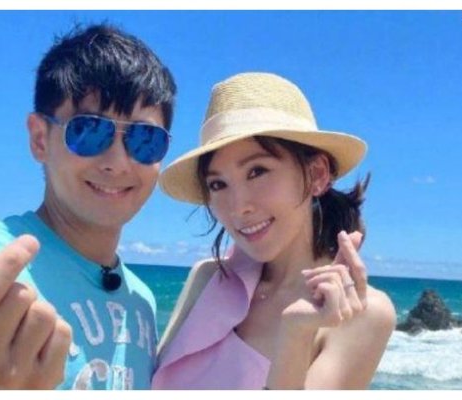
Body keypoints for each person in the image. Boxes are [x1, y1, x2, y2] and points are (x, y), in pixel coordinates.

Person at [0, 23, 177, 390]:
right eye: (90, 131)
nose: (117, 162)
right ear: (40, 138)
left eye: (145, 139)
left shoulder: (142, 300)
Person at [153, 72, 395, 389]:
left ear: (317, 174)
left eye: (257, 171)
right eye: (218, 184)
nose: (238, 207)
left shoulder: (362, 312)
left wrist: (296, 334)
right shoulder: (210, 277)